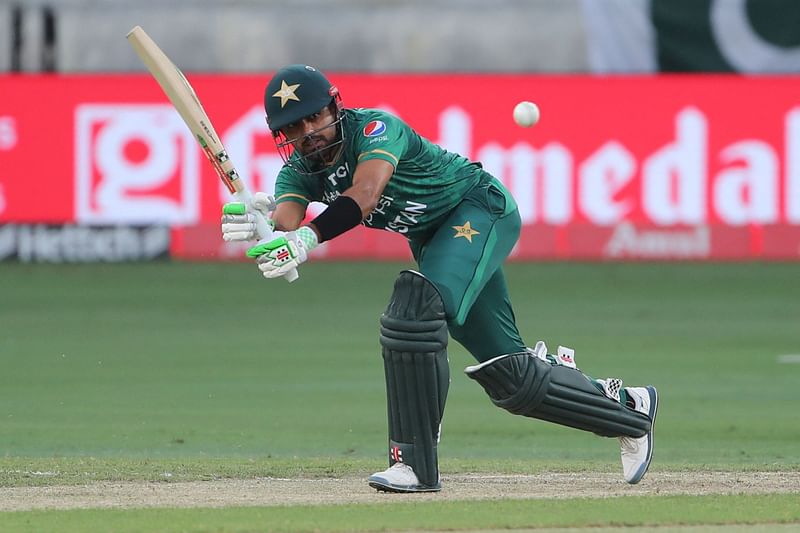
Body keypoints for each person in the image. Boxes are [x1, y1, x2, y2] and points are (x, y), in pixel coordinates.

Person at [220, 64, 659, 493]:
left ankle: (412, 462)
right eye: (294, 126)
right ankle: (629, 410)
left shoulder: (374, 129)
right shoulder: (297, 172)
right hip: (435, 242)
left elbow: (366, 194)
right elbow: (287, 220)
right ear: (281, 135)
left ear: (334, 107)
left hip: (477, 209)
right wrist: (265, 226)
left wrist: (305, 239)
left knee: (414, 308)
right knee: (511, 375)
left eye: (314, 116)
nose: (308, 131)